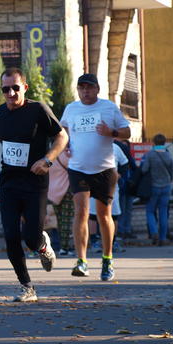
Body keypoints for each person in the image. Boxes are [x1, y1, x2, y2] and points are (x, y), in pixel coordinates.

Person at [0, 67, 68, 302]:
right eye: (5, 89)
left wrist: (47, 160)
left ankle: (42, 245)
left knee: (30, 237)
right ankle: (27, 287)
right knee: (10, 235)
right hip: (9, 181)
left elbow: (62, 136)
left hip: (35, 181)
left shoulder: (38, 110)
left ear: (25, 88)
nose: (10, 93)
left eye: (15, 88)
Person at [60, 73, 130, 281]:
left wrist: (111, 132)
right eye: (81, 88)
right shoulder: (71, 108)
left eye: (89, 87)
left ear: (97, 89)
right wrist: (66, 145)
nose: (85, 91)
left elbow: (127, 131)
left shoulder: (108, 107)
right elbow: (63, 130)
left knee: (103, 215)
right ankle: (81, 261)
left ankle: (107, 260)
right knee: (81, 212)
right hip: (78, 168)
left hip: (104, 169)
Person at [142, 134, 173, 246]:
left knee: (150, 211)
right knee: (163, 213)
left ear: (153, 142)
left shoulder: (150, 155)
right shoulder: (168, 155)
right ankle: (163, 238)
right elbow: (171, 171)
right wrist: (169, 180)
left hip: (153, 187)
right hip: (166, 186)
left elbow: (144, 169)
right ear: (164, 142)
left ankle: (154, 232)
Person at [47, 148, 74, 255]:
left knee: (58, 220)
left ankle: (60, 245)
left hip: (53, 191)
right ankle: (64, 248)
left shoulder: (49, 157)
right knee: (66, 220)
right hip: (66, 191)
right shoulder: (66, 156)